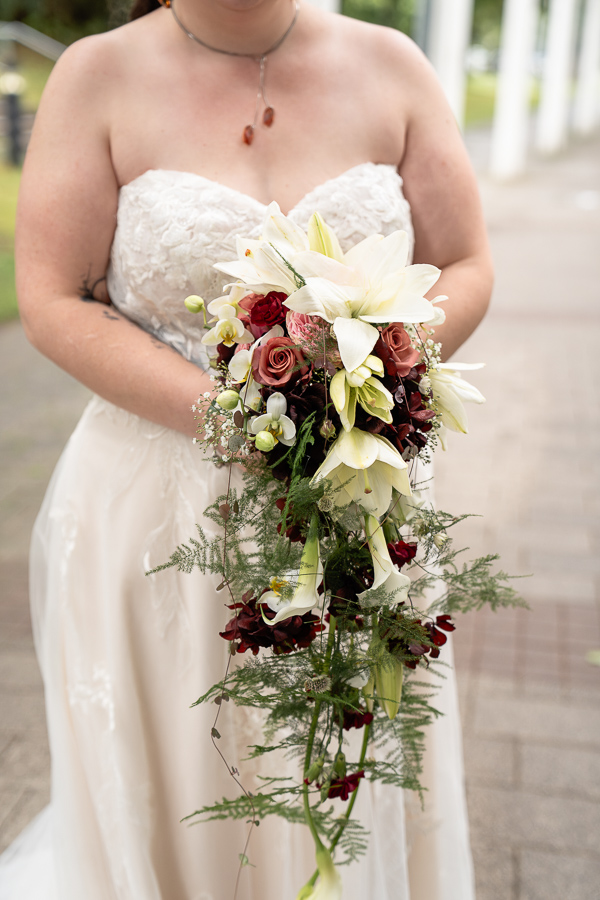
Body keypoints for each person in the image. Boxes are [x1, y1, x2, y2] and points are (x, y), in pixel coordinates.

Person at [2, 1, 492, 897]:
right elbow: (51, 298)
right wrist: (247, 420)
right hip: (155, 513)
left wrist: (377, 372)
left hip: (356, 500)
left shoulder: (393, 65)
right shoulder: (95, 74)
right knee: (182, 776)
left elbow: (465, 264)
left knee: (345, 761)